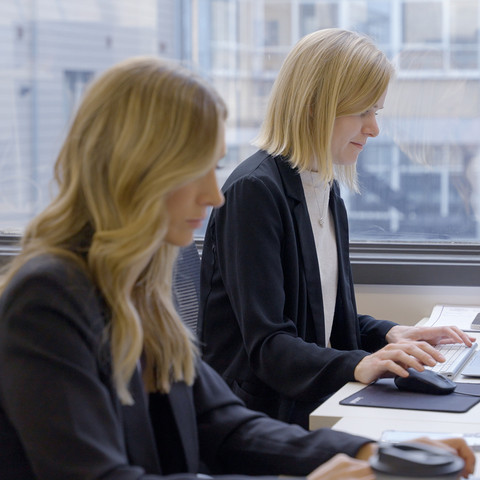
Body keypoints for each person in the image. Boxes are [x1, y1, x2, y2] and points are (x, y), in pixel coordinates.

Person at [3, 55, 467, 480]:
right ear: (135, 171)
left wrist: (375, 454)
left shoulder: (138, 290)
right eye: (196, 170)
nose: (214, 196)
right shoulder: (47, 299)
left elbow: (225, 426)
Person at [198, 28, 475, 429]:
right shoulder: (254, 192)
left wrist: (393, 334)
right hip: (260, 418)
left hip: (307, 398)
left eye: (375, 112)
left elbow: (325, 320)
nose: (374, 129)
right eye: (362, 111)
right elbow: (270, 345)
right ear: (315, 106)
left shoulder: (324, 189)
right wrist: (363, 363)